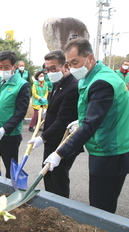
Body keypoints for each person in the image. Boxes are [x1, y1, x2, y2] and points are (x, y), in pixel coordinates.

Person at [44, 38, 129, 213]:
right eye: (69, 63)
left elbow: (91, 124)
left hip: (111, 151)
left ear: (90, 57)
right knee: (99, 201)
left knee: (101, 206)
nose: (72, 67)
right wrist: (79, 121)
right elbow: (93, 113)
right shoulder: (90, 76)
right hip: (103, 146)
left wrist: (60, 153)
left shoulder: (102, 82)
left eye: (75, 62)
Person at [28, 50, 79, 198]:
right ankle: (50, 204)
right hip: (52, 140)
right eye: (47, 69)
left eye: (54, 68)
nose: (50, 72)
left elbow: (63, 119)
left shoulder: (72, 86)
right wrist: (47, 113)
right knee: (48, 175)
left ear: (65, 66)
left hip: (62, 141)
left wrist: (42, 137)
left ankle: (60, 210)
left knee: (58, 179)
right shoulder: (58, 84)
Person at [0, 50, 30, 178]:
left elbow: (20, 112)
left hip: (10, 135)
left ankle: (11, 193)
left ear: (14, 66)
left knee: (11, 168)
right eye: (0, 67)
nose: (2, 70)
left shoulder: (22, 85)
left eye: (6, 67)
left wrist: (5, 129)